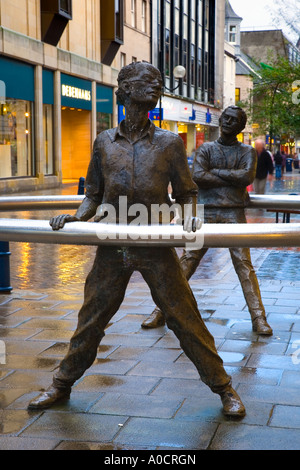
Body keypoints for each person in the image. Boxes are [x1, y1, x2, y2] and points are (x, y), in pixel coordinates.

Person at [27, 62, 245, 418]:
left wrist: (190, 215)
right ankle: (60, 384)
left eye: (158, 83)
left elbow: (188, 192)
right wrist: (76, 216)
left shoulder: (170, 143)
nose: (156, 86)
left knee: (184, 317)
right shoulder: (103, 142)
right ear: (125, 90)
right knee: (91, 319)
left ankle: (224, 388)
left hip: (155, 246)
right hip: (113, 246)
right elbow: (93, 195)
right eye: (148, 82)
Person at [142, 106, 273, 337]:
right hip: (203, 213)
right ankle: (160, 311)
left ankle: (258, 318)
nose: (228, 123)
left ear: (241, 127)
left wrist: (217, 174)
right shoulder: (206, 149)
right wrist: (231, 180)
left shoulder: (247, 151)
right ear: (221, 120)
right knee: (187, 261)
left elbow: (246, 177)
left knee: (243, 264)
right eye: (226, 118)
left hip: (233, 212)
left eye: (234, 120)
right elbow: (199, 176)